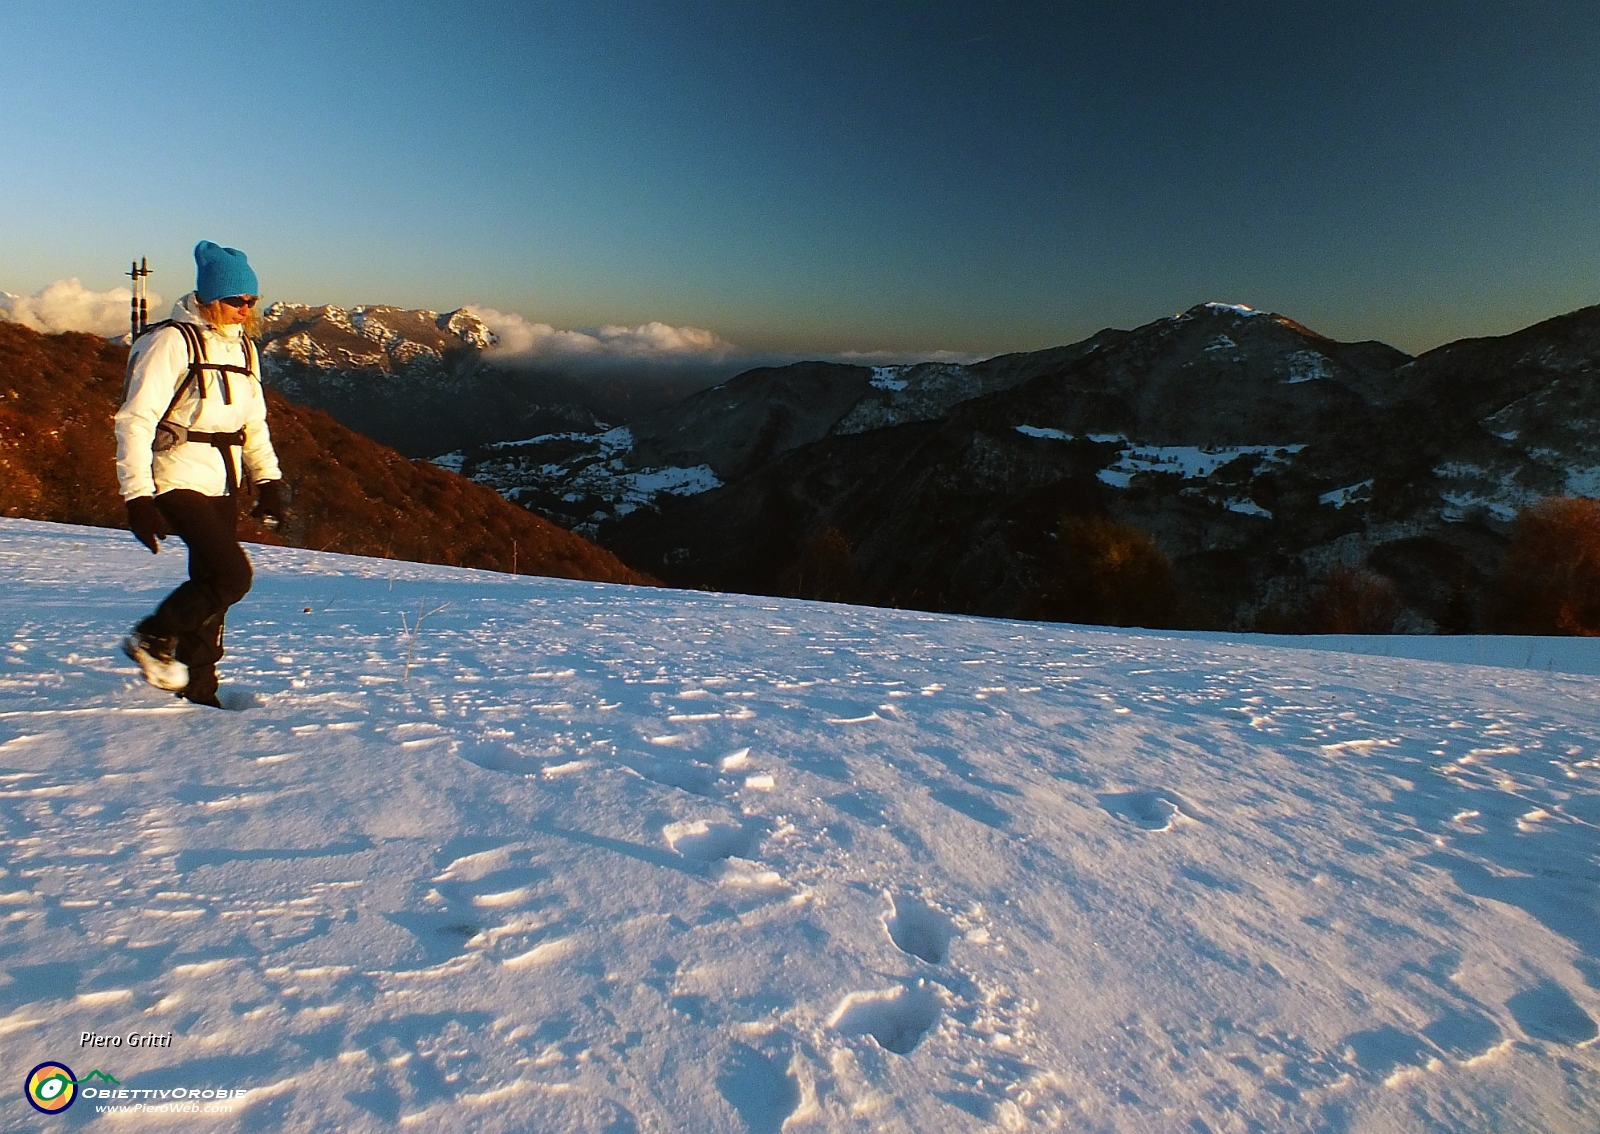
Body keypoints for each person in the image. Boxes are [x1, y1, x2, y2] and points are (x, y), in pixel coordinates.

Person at [114, 241, 287, 707]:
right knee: (232, 576)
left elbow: (253, 423)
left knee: (211, 590)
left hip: (223, 479)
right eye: (236, 300)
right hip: (176, 476)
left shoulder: (245, 350)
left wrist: (268, 480)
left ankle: (200, 688)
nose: (245, 309)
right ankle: (153, 636)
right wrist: (138, 497)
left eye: (252, 300)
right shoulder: (170, 341)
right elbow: (135, 420)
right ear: (210, 297)